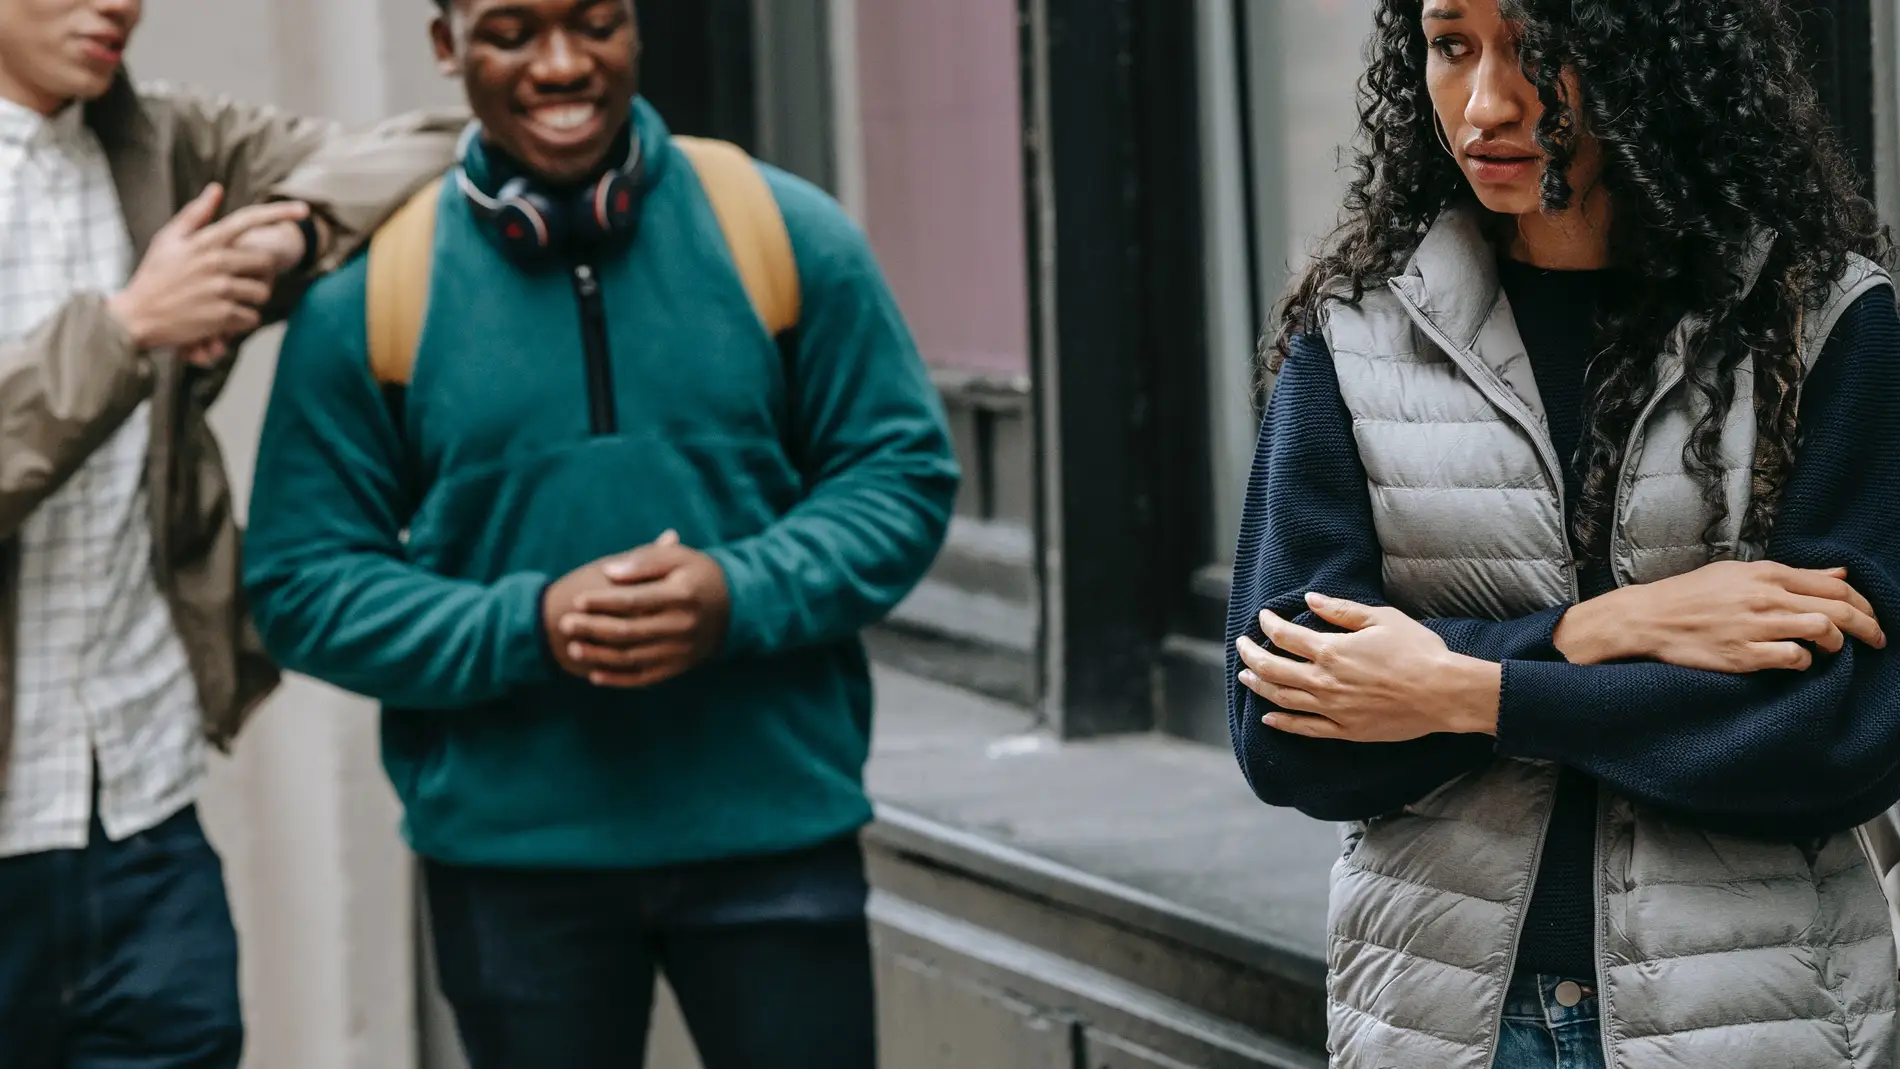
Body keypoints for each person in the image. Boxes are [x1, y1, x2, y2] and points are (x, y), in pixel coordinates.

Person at [240, 0, 959, 1066]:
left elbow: (900, 476)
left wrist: (736, 593)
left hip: (771, 838)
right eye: (513, 31)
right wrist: (527, 622)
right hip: (510, 869)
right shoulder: (368, 294)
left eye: (594, 23)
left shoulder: (783, 229)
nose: (562, 64)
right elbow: (300, 579)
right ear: (446, 47)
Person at [1226, 1, 1900, 1067]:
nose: (1487, 103)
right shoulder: (1356, 334)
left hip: (1756, 1016)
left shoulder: (1815, 320)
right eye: (1451, 45)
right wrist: (1602, 632)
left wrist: (1461, 690)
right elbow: (1287, 732)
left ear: (1656, 52)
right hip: (1445, 1023)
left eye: (1543, 51)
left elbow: (1838, 732)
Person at [0, 1, 467, 1066]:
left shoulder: (163, 143)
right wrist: (125, 329)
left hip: (143, 824)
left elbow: (444, 148)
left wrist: (296, 224)